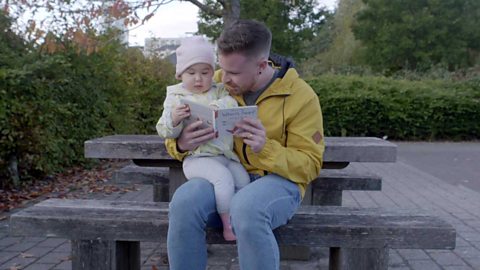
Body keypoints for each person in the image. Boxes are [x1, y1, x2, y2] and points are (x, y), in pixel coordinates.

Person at [165, 19, 325, 270]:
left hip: (278, 183)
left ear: (261, 65)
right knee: (184, 201)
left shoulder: (301, 96)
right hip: (223, 178)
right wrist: (182, 144)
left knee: (246, 207)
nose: (223, 78)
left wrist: (265, 147)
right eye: (221, 68)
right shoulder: (214, 83)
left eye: (234, 73)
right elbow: (171, 130)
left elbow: (310, 165)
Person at [156, 36, 250, 241]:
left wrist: (218, 108)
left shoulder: (219, 91)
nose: (198, 79)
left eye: (205, 72)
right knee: (223, 179)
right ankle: (228, 226)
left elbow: (232, 103)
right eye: (191, 73)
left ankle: (239, 216)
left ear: (212, 72)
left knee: (243, 179)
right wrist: (174, 119)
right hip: (197, 159)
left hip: (226, 155)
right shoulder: (175, 97)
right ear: (180, 74)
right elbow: (164, 130)